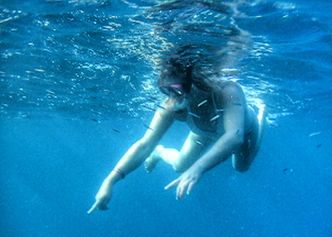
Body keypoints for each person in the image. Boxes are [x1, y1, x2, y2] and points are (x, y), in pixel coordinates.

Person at [87, 48, 265, 214]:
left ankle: (261, 116)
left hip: (245, 131)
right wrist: (110, 181)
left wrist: (197, 169)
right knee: (179, 166)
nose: (174, 98)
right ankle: (160, 152)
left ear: (194, 81)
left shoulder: (228, 90)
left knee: (241, 167)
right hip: (204, 132)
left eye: (178, 90)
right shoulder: (171, 105)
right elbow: (144, 144)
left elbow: (234, 136)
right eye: (167, 91)